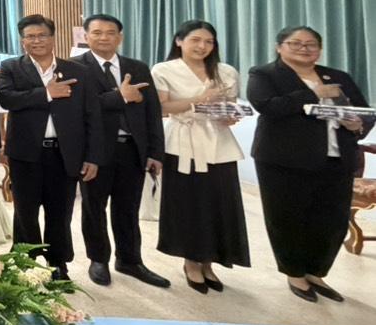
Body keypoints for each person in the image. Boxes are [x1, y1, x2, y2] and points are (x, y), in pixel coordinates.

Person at [248, 26, 369, 303]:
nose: (304, 48)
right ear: (279, 47)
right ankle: (294, 274)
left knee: (331, 221)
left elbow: (362, 110)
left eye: (311, 44)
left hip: (336, 158)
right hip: (284, 160)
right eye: (296, 43)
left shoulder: (338, 76)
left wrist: (358, 125)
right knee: (287, 218)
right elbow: (269, 106)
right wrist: (314, 93)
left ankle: (316, 272)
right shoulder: (265, 74)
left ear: (320, 49)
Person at [0, 15, 102, 280]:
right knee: (25, 211)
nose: (36, 41)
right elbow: (7, 98)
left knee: (60, 212)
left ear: (53, 38)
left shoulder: (78, 71)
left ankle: (58, 263)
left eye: (42, 35)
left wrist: (92, 156)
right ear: (22, 41)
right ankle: (25, 262)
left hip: (64, 153)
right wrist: (46, 93)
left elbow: (92, 115)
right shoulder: (12, 67)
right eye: (30, 36)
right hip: (25, 154)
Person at [151, 20, 250, 293]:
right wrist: (201, 99)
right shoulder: (163, 69)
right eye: (195, 40)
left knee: (219, 205)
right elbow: (162, 108)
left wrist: (231, 116)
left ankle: (209, 261)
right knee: (188, 206)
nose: (202, 46)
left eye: (208, 41)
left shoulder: (226, 71)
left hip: (219, 145)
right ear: (179, 41)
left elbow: (229, 108)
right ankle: (190, 262)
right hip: (182, 143)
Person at [77, 14, 170, 288]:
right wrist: (119, 96)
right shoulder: (75, 67)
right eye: (97, 32)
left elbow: (152, 112)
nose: (104, 37)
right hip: (94, 152)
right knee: (94, 207)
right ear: (86, 36)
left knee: (128, 208)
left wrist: (155, 151)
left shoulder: (137, 67)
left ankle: (129, 260)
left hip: (132, 149)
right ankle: (98, 259)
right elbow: (79, 108)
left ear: (120, 37)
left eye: (110, 32)